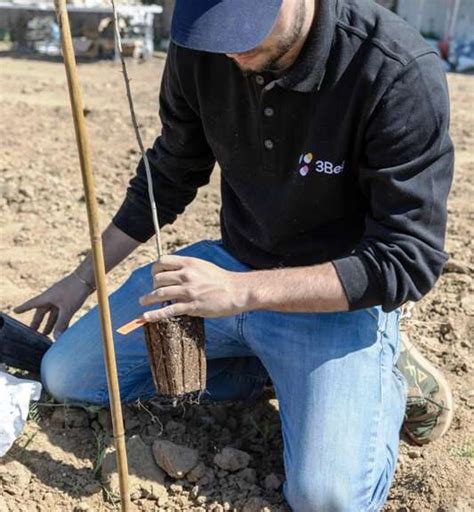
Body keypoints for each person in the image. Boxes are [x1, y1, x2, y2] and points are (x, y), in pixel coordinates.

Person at [14, 0, 454, 509]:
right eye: (217, 34)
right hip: (231, 266)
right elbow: (172, 169)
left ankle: (384, 376)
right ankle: (276, 371)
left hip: (332, 301)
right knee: (70, 377)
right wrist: (82, 279)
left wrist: (239, 292)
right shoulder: (206, 43)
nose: (231, 53)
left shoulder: (394, 72)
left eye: (245, 32)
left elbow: (407, 260)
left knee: (325, 498)